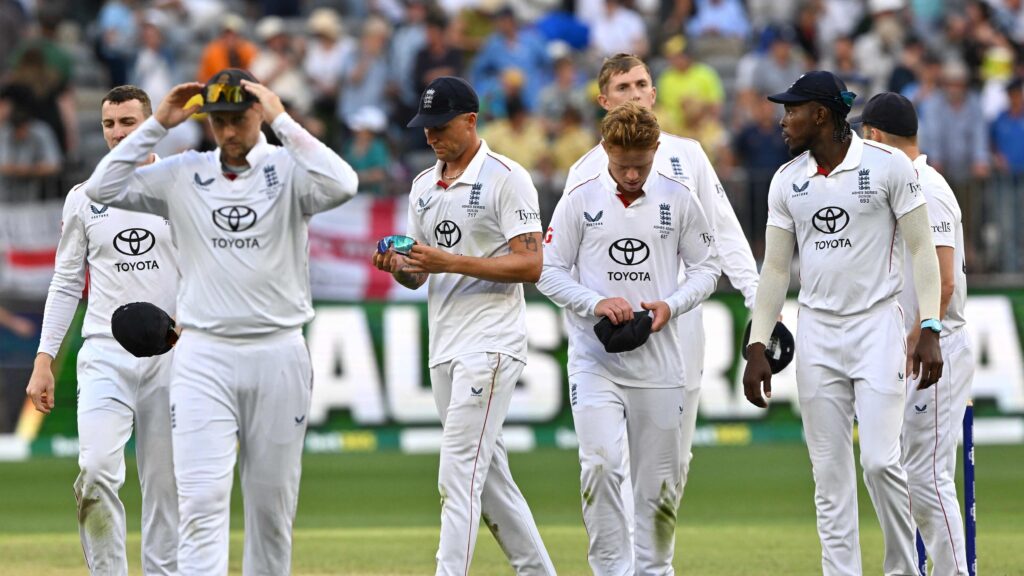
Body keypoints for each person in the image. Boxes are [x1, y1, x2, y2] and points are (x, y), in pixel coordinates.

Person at [83, 69, 359, 575]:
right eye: (218, 121)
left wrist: (282, 119)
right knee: (200, 506)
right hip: (202, 356)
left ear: (258, 112)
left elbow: (344, 183)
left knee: (271, 512)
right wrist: (157, 125)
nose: (228, 131)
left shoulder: (289, 168)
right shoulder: (184, 172)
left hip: (278, 351)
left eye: (238, 118)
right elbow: (102, 187)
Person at [742, 71, 944, 576]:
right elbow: (775, 269)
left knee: (880, 462)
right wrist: (757, 344)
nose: (783, 120)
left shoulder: (889, 165)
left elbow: (922, 248)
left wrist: (931, 327)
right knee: (829, 477)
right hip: (817, 332)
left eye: (792, 110)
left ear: (821, 115)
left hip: (877, 327)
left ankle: (904, 570)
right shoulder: (786, 180)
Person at [564, 52, 759, 523]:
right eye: (623, 87)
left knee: (672, 462)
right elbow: (562, 262)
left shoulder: (688, 155)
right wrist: (593, 310)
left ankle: (650, 552)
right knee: (608, 462)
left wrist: (759, 303)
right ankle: (625, 556)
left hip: (677, 326)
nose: (634, 95)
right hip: (609, 335)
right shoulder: (584, 171)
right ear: (604, 100)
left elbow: (724, 233)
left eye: (640, 85)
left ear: (654, 93)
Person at [372, 76, 555, 576]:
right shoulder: (422, 186)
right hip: (445, 344)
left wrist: (449, 261)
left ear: (471, 121)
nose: (430, 135)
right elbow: (419, 273)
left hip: (491, 343)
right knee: (489, 481)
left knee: (457, 476)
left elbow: (531, 264)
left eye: (441, 125)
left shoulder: (507, 177)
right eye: (425, 126)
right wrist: (399, 267)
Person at [538, 101, 720, 573]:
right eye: (622, 166)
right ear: (605, 150)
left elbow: (707, 268)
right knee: (600, 466)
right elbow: (547, 271)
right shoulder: (580, 198)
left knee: (658, 488)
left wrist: (672, 305)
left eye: (641, 164)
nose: (633, 175)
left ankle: (654, 571)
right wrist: (594, 302)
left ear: (656, 148)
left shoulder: (679, 197)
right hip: (595, 361)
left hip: (661, 362)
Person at [24, 85, 179, 575]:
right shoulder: (85, 197)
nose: (117, 133)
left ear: (150, 124)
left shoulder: (180, 187)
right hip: (105, 354)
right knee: (94, 472)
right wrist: (44, 360)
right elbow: (66, 281)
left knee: (167, 486)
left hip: (174, 354)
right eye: (110, 124)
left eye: (128, 122)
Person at [857, 92, 973, 576]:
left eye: (864, 138)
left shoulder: (928, 187)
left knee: (926, 477)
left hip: (933, 345)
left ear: (876, 136)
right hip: (909, 344)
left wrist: (921, 331)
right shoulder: (901, 184)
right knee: (898, 472)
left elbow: (943, 280)